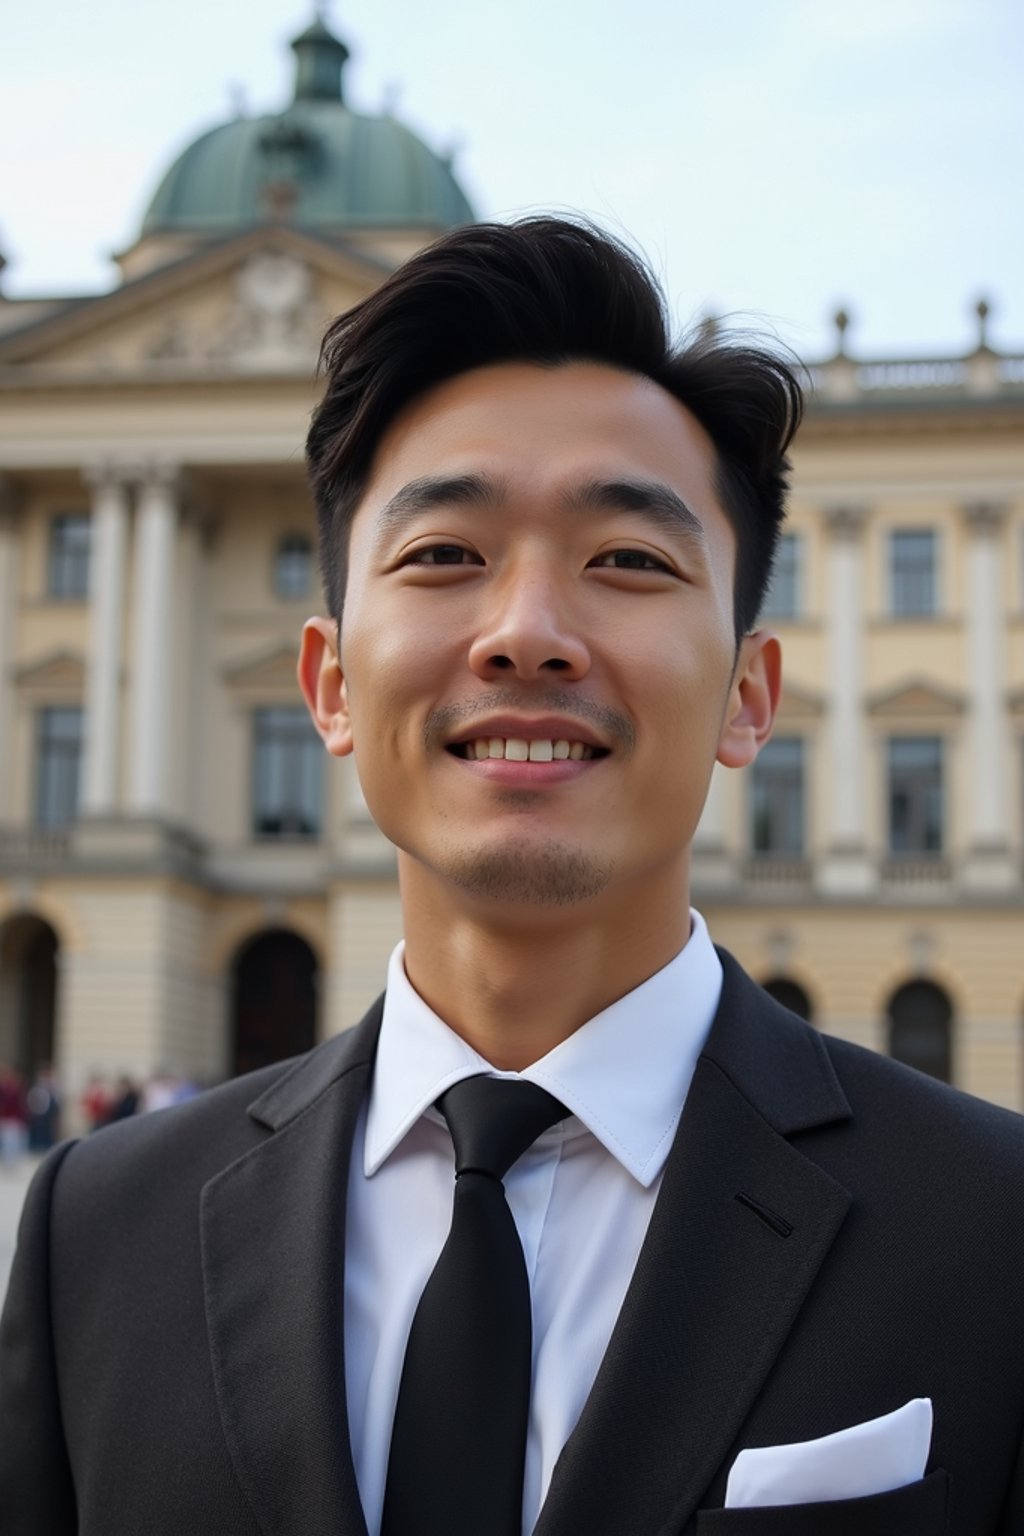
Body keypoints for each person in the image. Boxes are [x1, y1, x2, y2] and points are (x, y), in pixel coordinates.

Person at [1, 218, 1023, 1535]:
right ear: (328, 685)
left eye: (628, 560)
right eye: (444, 555)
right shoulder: (100, 1235)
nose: (526, 633)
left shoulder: (995, 1234)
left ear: (748, 696)